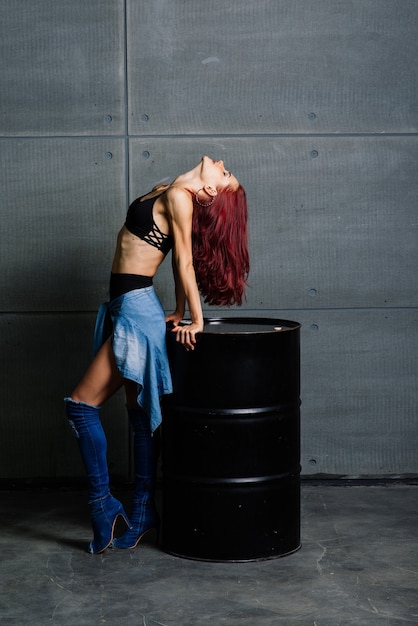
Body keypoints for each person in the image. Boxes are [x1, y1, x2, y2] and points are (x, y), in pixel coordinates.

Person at [64, 155, 250, 554]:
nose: (222, 163)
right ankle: (144, 512)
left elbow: (184, 260)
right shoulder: (173, 190)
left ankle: (103, 505)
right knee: (138, 414)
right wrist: (179, 310)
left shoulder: (182, 198)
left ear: (212, 191)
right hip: (128, 305)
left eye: (227, 173)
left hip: (135, 309)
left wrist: (196, 319)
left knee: (81, 406)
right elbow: (175, 257)